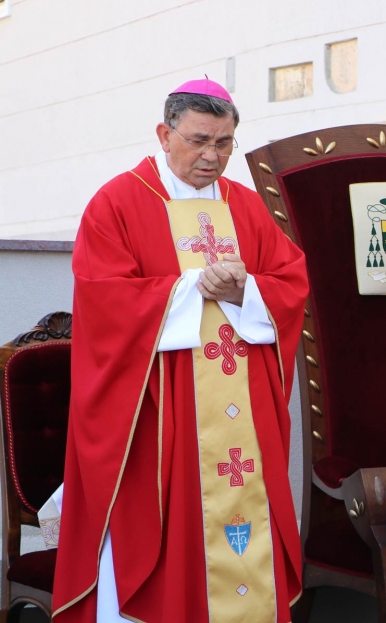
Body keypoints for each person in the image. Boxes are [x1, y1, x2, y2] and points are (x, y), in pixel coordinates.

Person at [52, 78, 309, 622]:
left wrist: (246, 290)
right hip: (160, 416)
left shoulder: (245, 206)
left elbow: (291, 281)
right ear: (164, 135)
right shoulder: (119, 201)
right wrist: (192, 286)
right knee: (163, 540)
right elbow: (103, 301)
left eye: (224, 143)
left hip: (239, 421)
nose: (212, 156)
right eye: (198, 140)